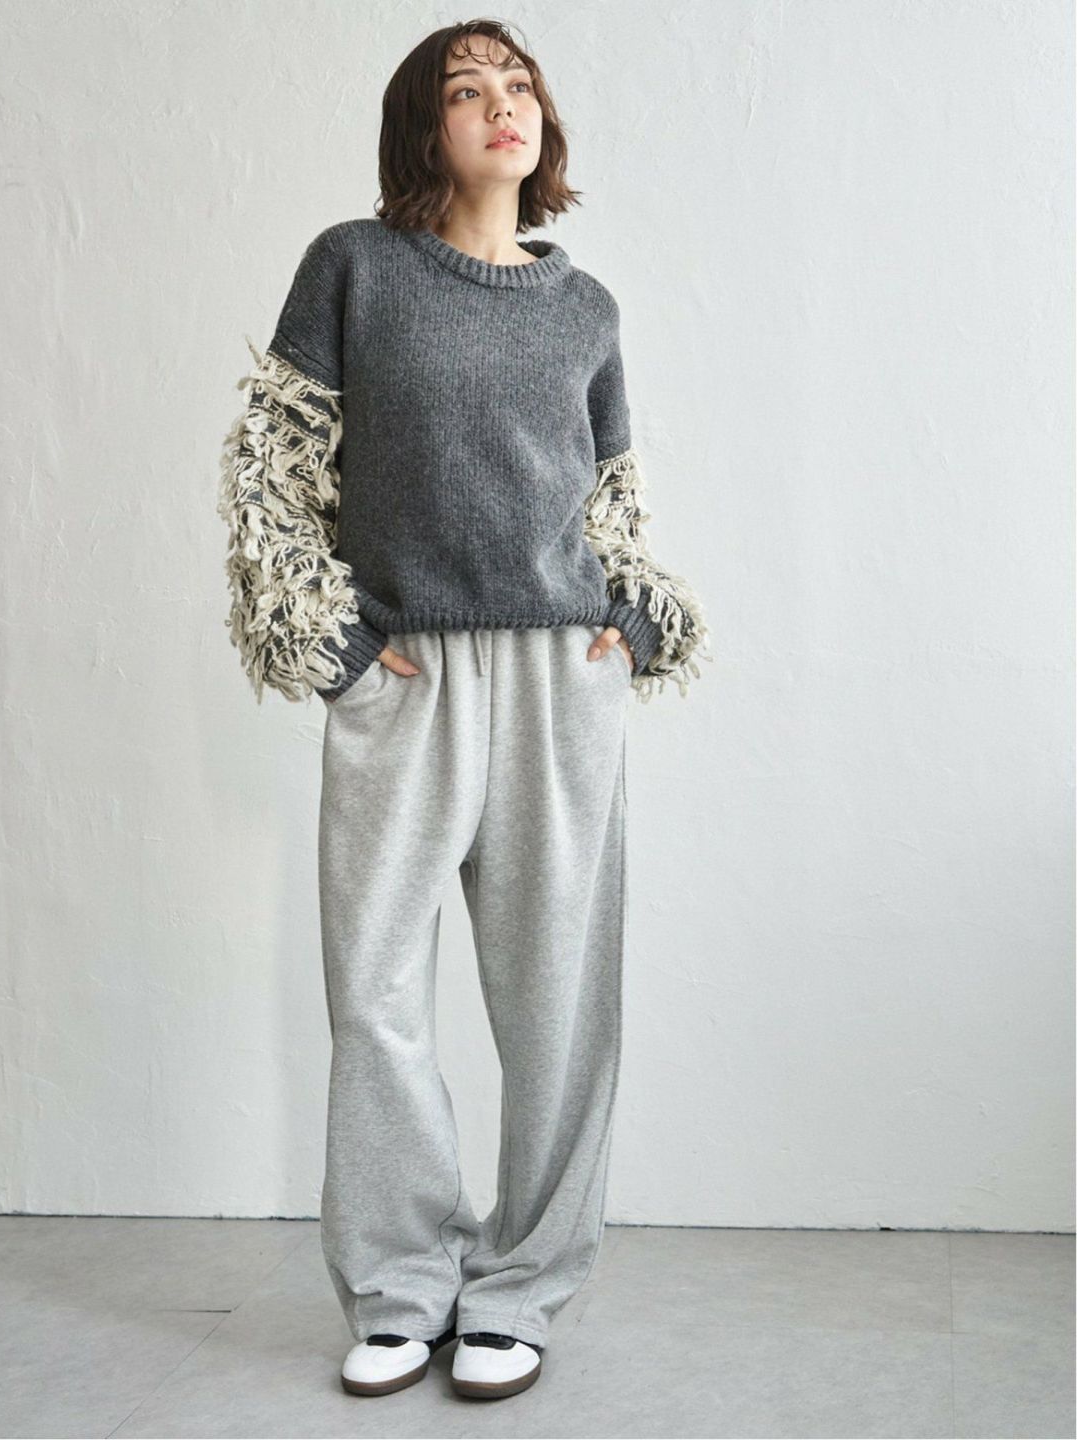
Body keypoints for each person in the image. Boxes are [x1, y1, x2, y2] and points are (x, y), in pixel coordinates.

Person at [218, 17, 712, 1402]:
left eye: (520, 84)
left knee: (558, 1001)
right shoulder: (354, 266)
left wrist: (639, 620)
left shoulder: (585, 307)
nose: (504, 104)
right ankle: (401, 1284)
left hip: (561, 673)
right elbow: (272, 462)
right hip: (407, 671)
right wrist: (331, 642)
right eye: (468, 89)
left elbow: (610, 500)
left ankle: (521, 1287)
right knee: (376, 989)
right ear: (421, 128)